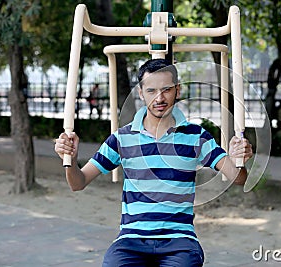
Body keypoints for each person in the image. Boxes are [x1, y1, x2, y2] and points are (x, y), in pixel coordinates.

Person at [54, 59, 253, 267]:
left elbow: (238, 178)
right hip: (131, 241)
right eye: (151, 91)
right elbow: (78, 183)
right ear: (141, 93)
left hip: (180, 242)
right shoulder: (122, 138)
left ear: (177, 90)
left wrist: (238, 159)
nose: (159, 98)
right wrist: (71, 160)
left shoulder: (196, 136)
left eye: (166, 90)